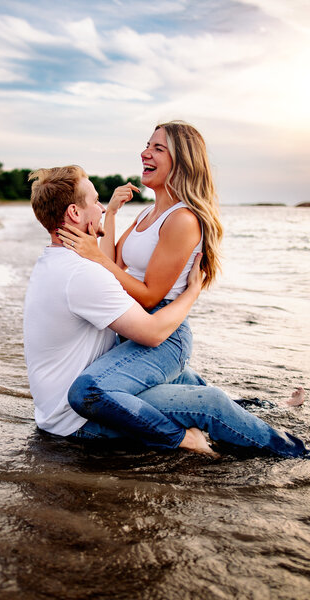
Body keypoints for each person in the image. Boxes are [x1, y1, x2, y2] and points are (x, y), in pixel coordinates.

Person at [23, 164, 307, 458]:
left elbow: (109, 267)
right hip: (81, 420)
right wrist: (192, 291)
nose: (101, 206)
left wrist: (110, 216)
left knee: (190, 382)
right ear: (74, 214)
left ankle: (267, 412)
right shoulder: (82, 274)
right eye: (95, 200)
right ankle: (296, 453)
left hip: (57, 409)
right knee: (209, 403)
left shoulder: (55, 262)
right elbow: (153, 333)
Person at [55, 121, 222, 439]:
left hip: (160, 327)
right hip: (133, 326)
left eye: (158, 148)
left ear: (182, 162)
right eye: (148, 145)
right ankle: (274, 407)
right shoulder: (147, 213)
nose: (145, 152)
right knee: (191, 403)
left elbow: (148, 295)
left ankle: (189, 440)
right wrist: (112, 214)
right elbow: (115, 266)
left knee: (103, 396)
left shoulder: (183, 220)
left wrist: (96, 255)